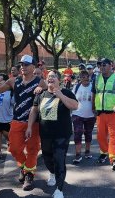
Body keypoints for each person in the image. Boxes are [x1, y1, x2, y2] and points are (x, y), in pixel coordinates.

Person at [0, 54, 47, 191]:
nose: (22, 67)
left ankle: (29, 175)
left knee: (32, 149)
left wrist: (42, 90)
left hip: (34, 123)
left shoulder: (40, 82)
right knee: (14, 148)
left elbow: (52, 94)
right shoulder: (14, 81)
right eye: (21, 64)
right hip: (17, 121)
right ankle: (24, 167)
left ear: (33, 66)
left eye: (26, 64)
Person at [26, 70, 78, 198]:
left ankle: (59, 189)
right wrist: (29, 127)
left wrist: (60, 95)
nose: (50, 78)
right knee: (47, 158)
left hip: (62, 134)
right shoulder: (41, 94)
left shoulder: (66, 92)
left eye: (53, 76)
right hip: (45, 134)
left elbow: (75, 106)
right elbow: (34, 111)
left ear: (58, 80)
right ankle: (53, 173)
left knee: (59, 160)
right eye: (48, 77)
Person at [92, 58, 115, 170]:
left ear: (111, 65)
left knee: (114, 136)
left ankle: (114, 159)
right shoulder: (97, 78)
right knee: (100, 135)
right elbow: (94, 93)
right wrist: (93, 106)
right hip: (100, 112)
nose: (101, 67)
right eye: (100, 65)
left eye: (104, 65)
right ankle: (104, 152)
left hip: (113, 112)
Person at [71, 71, 96, 164]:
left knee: (88, 133)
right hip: (77, 114)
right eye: (83, 77)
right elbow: (71, 98)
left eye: (87, 76)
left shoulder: (93, 86)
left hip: (90, 115)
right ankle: (78, 154)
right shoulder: (76, 87)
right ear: (80, 78)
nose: (85, 78)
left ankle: (87, 151)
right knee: (77, 133)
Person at [0, 74, 13, 162]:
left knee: (8, 136)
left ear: (6, 82)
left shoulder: (11, 92)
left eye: (2, 79)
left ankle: (12, 147)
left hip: (8, 119)